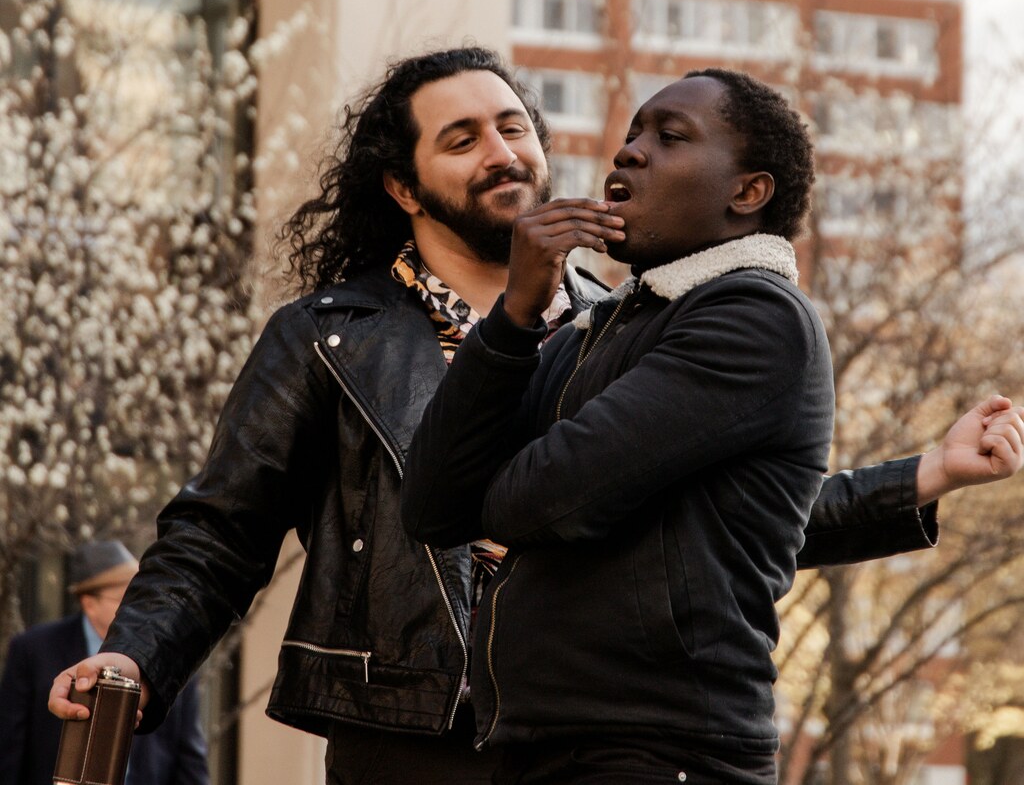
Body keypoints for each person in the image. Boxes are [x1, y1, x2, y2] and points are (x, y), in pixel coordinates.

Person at [47, 48, 1024, 785]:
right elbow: (221, 529)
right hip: (404, 736)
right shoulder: (328, 336)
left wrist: (922, 476)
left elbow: (721, 529)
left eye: (514, 125)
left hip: (582, 739)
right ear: (402, 184)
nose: (502, 151)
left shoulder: (624, 322)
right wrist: (135, 651)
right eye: (461, 137)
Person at [400, 67, 1022, 785]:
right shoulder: (585, 332)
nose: (629, 151)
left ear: (747, 192)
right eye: (632, 132)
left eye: (669, 137)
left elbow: (537, 499)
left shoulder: (757, 318)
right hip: (544, 744)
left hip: (662, 752)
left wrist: (502, 479)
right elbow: (433, 505)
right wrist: (512, 320)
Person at [1, 540, 208, 785]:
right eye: (126, 598)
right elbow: (9, 748)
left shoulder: (168, 655)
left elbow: (190, 757)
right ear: (89, 603)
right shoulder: (34, 649)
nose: (138, 609)